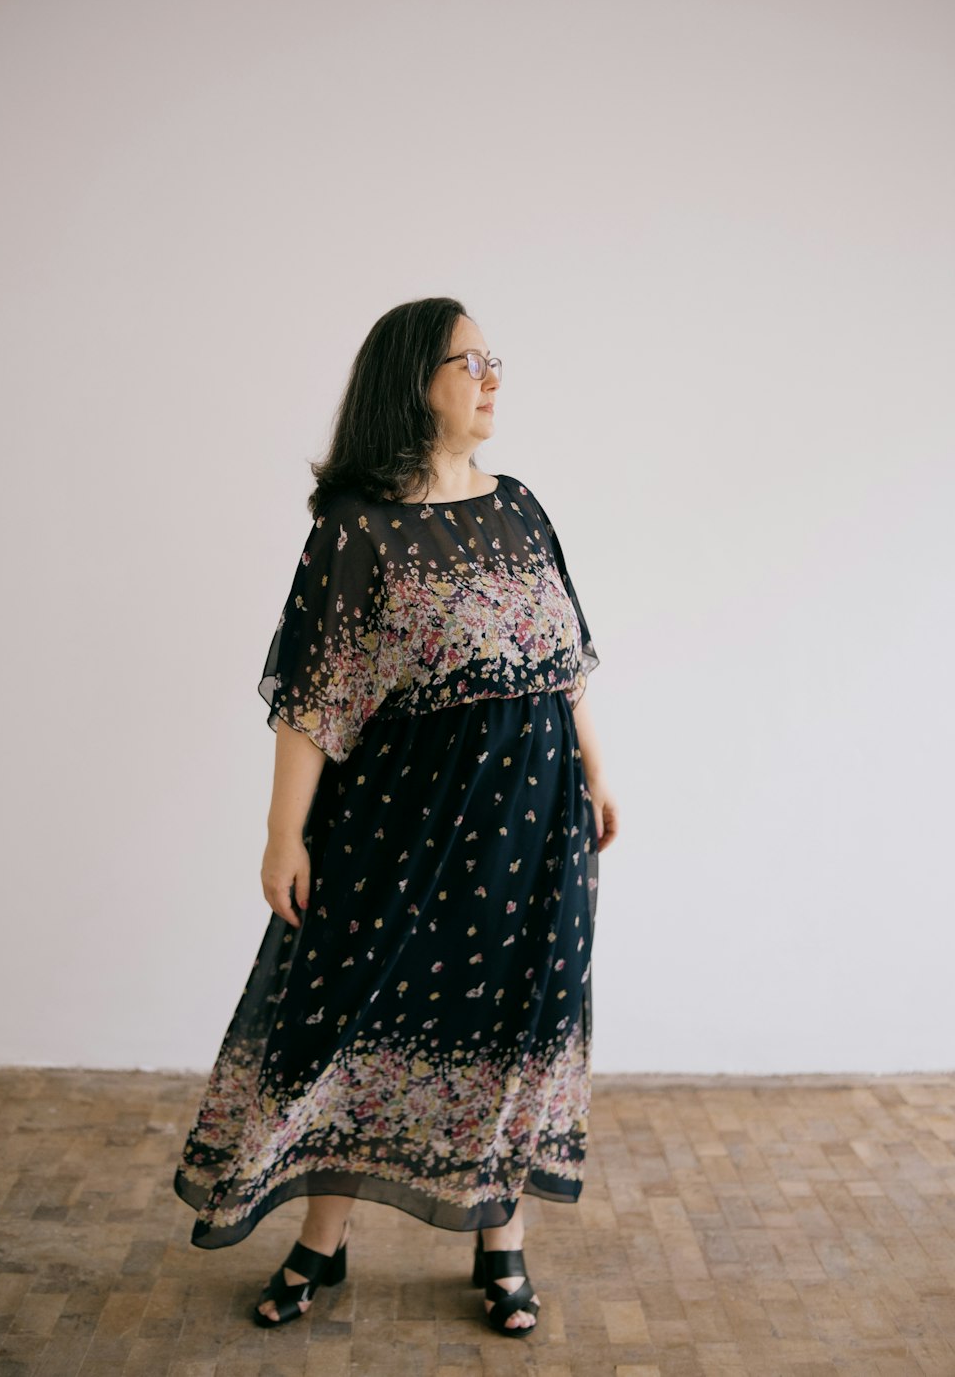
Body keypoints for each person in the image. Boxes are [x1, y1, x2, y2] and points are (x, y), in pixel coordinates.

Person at [173, 296, 618, 1338]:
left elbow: (568, 663)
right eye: (471, 362)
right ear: (413, 381)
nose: (492, 378)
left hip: (535, 821)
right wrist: (282, 836)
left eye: (492, 360)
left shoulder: (520, 505)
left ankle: (498, 1242)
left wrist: (597, 772)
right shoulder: (356, 528)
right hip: (403, 818)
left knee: (518, 1019)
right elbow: (315, 699)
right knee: (350, 1016)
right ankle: (319, 1246)